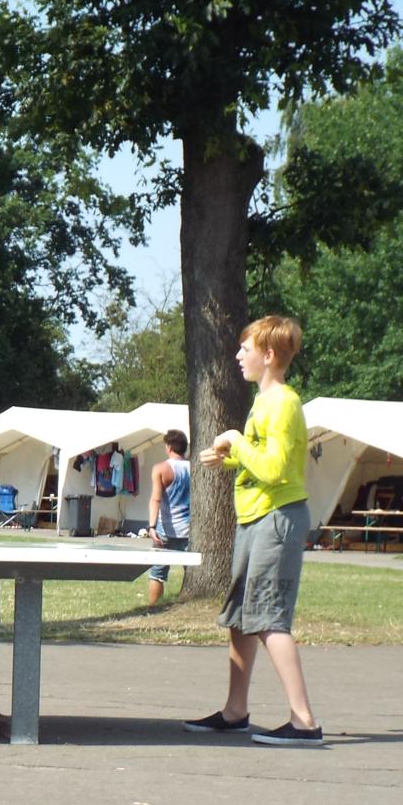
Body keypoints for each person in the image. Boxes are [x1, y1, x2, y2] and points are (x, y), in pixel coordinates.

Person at [186, 315, 322, 745]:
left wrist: (235, 439)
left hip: (277, 519)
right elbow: (262, 460)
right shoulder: (264, 401)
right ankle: (235, 711)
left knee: (268, 616)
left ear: (269, 354)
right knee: (242, 618)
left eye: (245, 349)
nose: (238, 356)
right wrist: (229, 458)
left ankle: (304, 722)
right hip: (255, 518)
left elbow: (276, 469)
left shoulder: (282, 402)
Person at [146, 429, 192, 607]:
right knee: (192, 572)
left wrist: (151, 526)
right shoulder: (194, 467)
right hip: (189, 529)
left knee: (157, 573)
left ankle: (153, 607)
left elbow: (156, 499)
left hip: (165, 528)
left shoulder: (161, 468)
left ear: (169, 447)